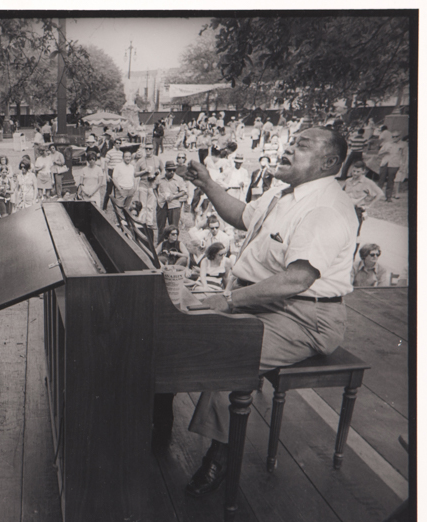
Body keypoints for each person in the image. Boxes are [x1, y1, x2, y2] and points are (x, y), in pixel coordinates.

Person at [176, 126, 356, 497]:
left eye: (301, 145)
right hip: (266, 302)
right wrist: (208, 184)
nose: (288, 148)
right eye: (291, 142)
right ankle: (162, 423)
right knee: (183, 326)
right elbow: (243, 215)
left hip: (305, 317)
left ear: (330, 163)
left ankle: (221, 455)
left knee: (228, 352)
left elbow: (296, 280)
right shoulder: (284, 193)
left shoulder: (325, 208)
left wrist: (227, 302)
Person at [343, 160, 384, 236]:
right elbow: (342, 193)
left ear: (363, 171)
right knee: (343, 231)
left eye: (358, 172)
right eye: (354, 171)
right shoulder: (348, 181)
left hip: (357, 210)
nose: (355, 173)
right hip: (346, 209)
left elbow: (380, 193)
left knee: (354, 233)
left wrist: (369, 205)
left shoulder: (367, 182)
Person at [154, 161, 187, 234]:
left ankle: (173, 244)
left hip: (174, 205)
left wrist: (174, 196)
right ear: (165, 170)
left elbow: (183, 191)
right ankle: (161, 243)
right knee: (161, 227)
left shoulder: (179, 179)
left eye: (174, 170)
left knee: (173, 228)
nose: (171, 172)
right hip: (162, 205)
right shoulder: (160, 178)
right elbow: (154, 188)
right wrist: (157, 198)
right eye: (169, 170)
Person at [377, 131, 403, 201]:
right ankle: (376, 195)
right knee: (381, 180)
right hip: (385, 163)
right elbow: (379, 153)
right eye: (393, 137)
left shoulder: (402, 145)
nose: (394, 138)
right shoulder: (387, 144)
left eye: (396, 136)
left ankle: (388, 197)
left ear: (399, 137)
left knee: (391, 180)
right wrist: (385, 152)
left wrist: (402, 165)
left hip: (394, 164)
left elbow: (403, 156)